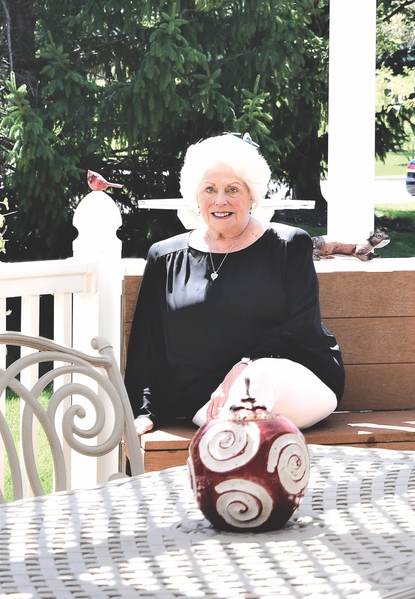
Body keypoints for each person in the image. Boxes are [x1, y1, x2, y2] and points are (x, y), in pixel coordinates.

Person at [124, 134, 343, 435]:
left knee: (258, 377)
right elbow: (147, 343)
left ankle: (225, 466)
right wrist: (144, 410)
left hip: (297, 383)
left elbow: (301, 326)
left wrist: (245, 366)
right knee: (240, 420)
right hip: (209, 401)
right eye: (209, 190)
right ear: (196, 196)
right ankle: (243, 468)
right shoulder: (164, 257)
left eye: (232, 189)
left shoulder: (288, 245)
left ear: (252, 195)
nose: (220, 200)